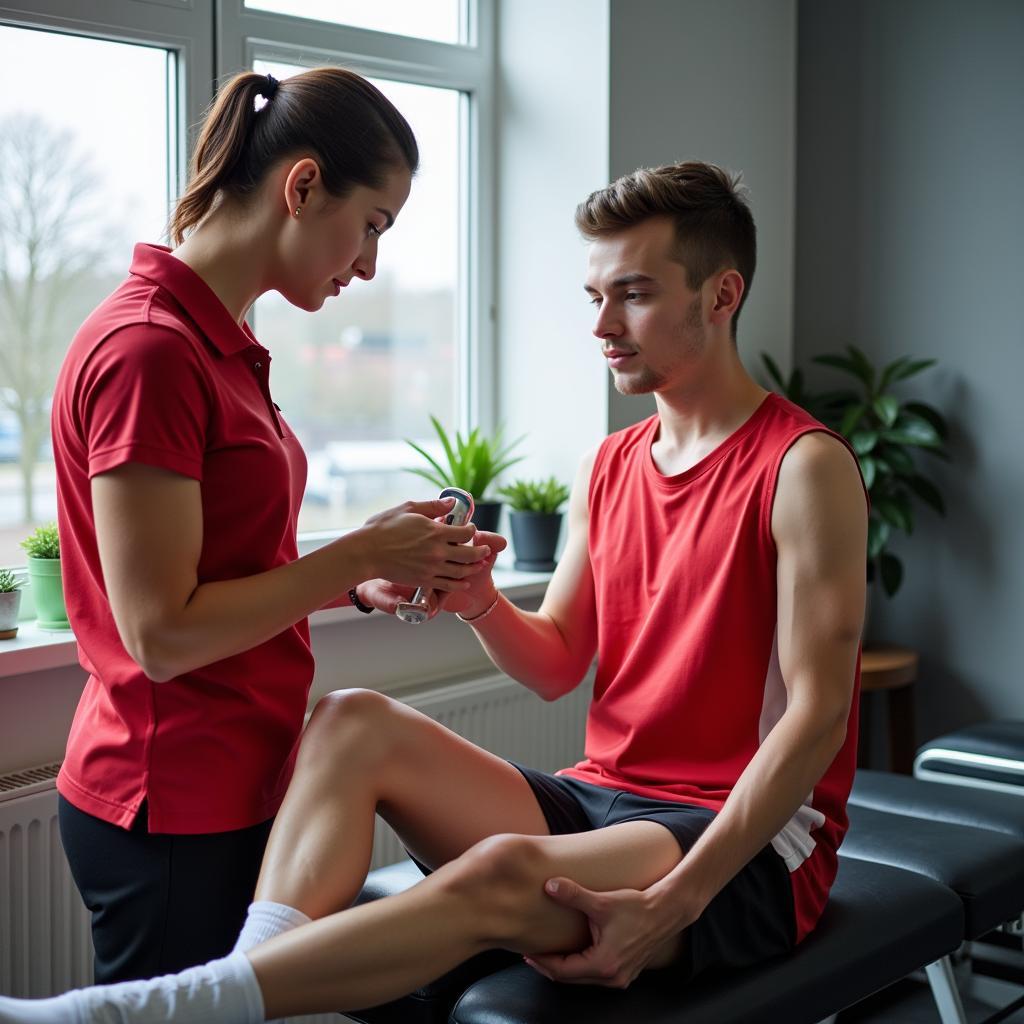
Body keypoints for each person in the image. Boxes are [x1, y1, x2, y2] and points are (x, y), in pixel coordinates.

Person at [0, 160, 867, 1023]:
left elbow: (817, 717)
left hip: (743, 841)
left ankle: (141, 1011)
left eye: (633, 294)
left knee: (498, 867)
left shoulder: (803, 468)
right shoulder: (609, 465)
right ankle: (235, 989)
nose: (602, 323)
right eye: (593, 295)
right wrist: (479, 601)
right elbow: (560, 661)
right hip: (605, 798)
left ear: (720, 296)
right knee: (351, 720)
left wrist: (678, 901)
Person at [46, 66, 496, 986]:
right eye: (371, 226)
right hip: (169, 798)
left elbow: (228, 568)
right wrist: (359, 550)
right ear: (301, 187)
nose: (369, 264)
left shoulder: (219, 343)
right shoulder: (151, 352)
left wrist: (362, 575)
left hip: (238, 777)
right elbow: (164, 634)